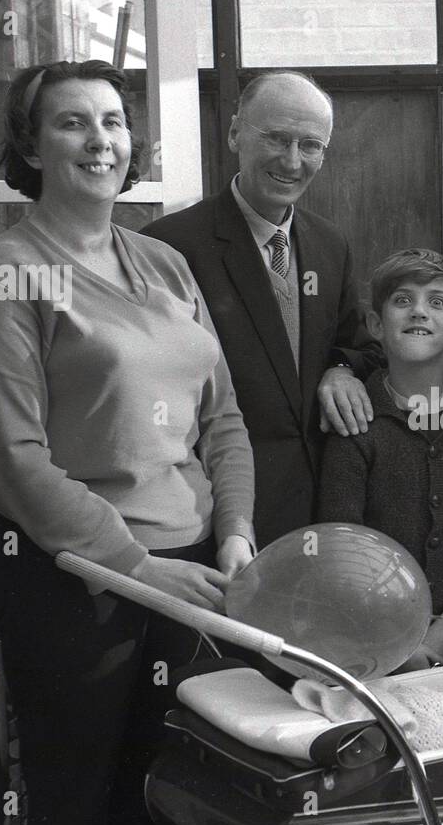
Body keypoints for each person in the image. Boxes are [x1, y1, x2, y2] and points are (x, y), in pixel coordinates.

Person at [0, 60, 257, 825]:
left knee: (143, 811)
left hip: (189, 578)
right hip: (75, 588)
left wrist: (237, 530)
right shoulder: (5, 276)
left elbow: (225, 420)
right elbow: (15, 463)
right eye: (71, 124)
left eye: (114, 121)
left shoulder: (161, 264)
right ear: (31, 149)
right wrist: (144, 569)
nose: (100, 140)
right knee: (75, 822)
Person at [144, 71, 377, 547]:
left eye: (310, 145)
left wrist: (341, 369)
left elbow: (355, 345)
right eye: (276, 138)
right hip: (214, 517)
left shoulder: (330, 245)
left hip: (317, 509)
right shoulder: (170, 247)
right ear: (234, 134)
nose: (292, 161)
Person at [317, 249, 443, 669]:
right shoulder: (355, 421)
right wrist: (399, 636)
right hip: (375, 640)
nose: (419, 312)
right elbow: (345, 546)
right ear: (376, 325)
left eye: (437, 302)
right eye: (403, 300)